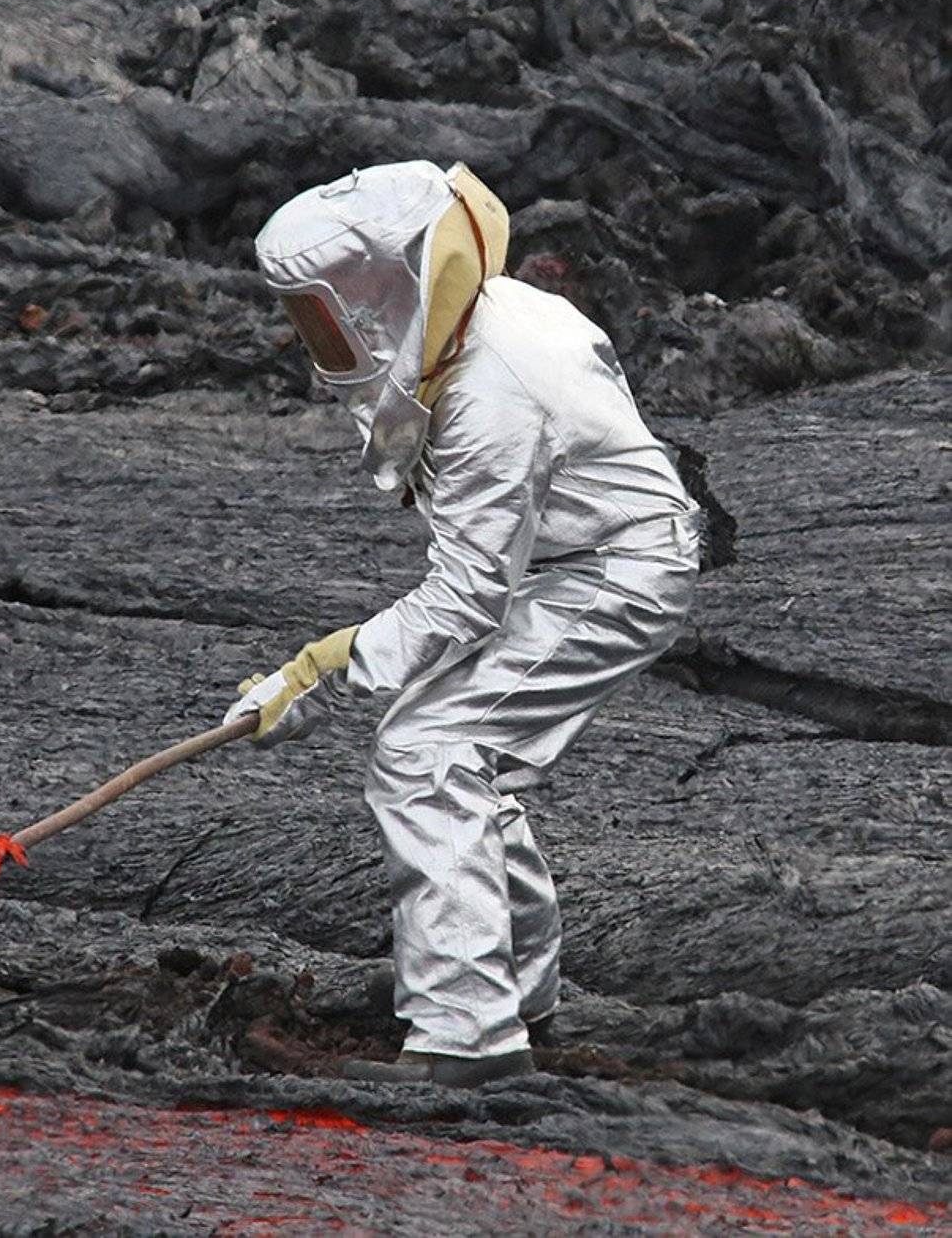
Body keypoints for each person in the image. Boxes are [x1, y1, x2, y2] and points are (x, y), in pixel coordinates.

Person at [225, 161, 701, 1088]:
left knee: (425, 751)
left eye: (321, 314)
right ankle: (516, 988)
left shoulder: (492, 389)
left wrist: (323, 668)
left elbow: (468, 597)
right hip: (577, 559)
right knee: (460, 751)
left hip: (614, 574)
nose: (315, 339)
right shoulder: (499, 317)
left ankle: (467, 1038)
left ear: (381, 290)